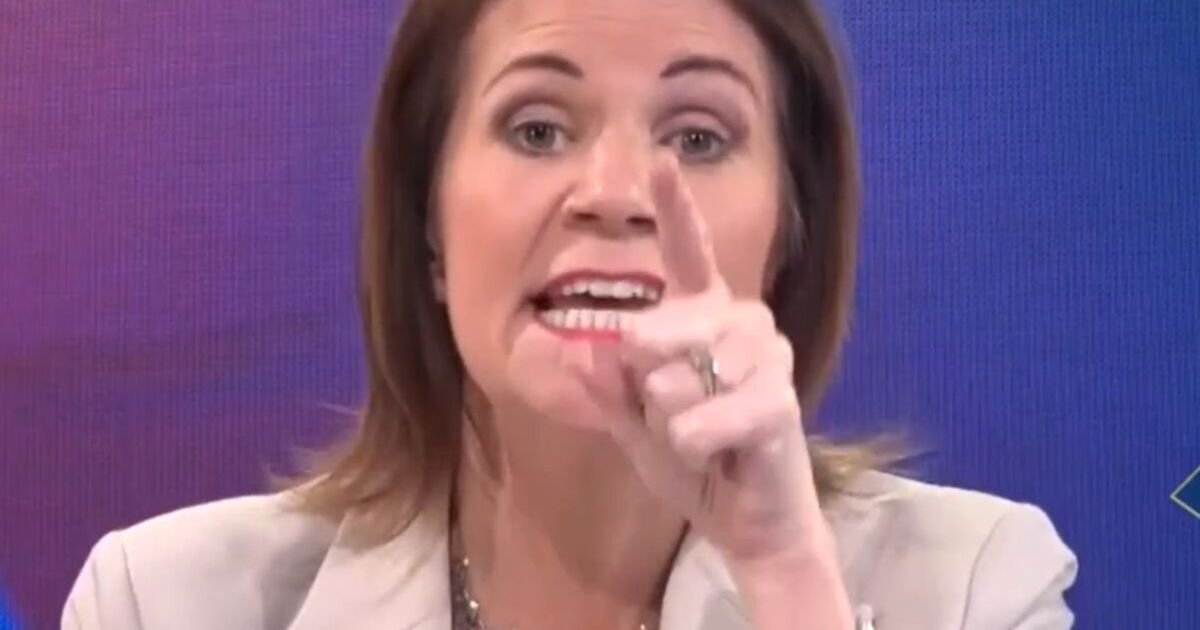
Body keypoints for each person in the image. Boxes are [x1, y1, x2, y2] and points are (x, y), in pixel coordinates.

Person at [62, 0, 1078, 628]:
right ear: (428, 225)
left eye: (697, 137)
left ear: (788, 235)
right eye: (539, 129)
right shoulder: (162, 605)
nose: (618, 194)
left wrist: (783, 578)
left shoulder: (974, 591)